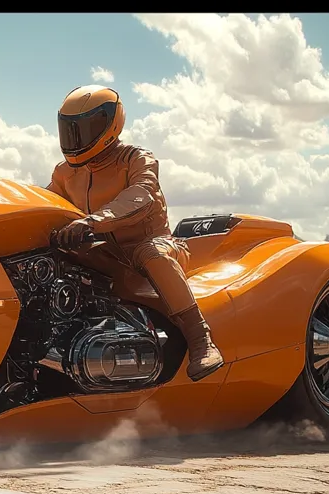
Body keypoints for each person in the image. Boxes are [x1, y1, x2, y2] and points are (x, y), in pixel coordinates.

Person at [46, 84, 224, 382]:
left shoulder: (136, 158)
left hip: (157, 245)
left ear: (111, 124)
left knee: (150, 253)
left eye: (88, 127)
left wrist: (92, 222)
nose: (78, 138)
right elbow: (47, 203)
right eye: (71, 129)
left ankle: (201, 340)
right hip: (106, 252)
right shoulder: (64, 173)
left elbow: (142, 196)